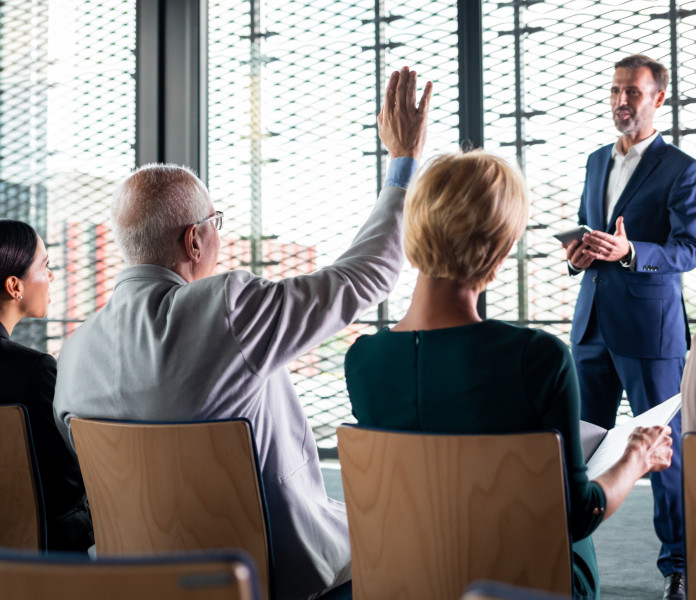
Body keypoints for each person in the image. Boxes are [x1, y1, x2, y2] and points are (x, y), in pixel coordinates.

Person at [53, 67, 432, 600]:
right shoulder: (228, 309)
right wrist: (402, 162)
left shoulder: (72, 356)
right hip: (276, 581)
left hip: (133, 583)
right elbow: (366, 276)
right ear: (193, 241)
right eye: (216, 222)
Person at [344, 150, 673, 600]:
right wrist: (638, 456)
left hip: (409, 581)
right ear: (498, 250)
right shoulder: (537, 357)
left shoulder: (363, 360)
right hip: (528, 585)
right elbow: (577, 515)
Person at [564, 54, 696, 600]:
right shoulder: (597, 160)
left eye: (634, 93)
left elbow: (688, 250)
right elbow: (587, 235)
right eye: (616, 90)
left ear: (658, 99)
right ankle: (564, 557)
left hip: (650, 332)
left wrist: (630, 252)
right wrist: (577, 256)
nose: (622, 100)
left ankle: (681, 569)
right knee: (576, 450)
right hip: (591, 324)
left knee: (663, 456)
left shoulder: (681, 169)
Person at [0, 219, 93, 552]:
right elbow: (65, 488)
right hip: (35, 559)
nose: (51, 276)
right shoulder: (34, 370)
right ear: (15, 286)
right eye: (45, 266)